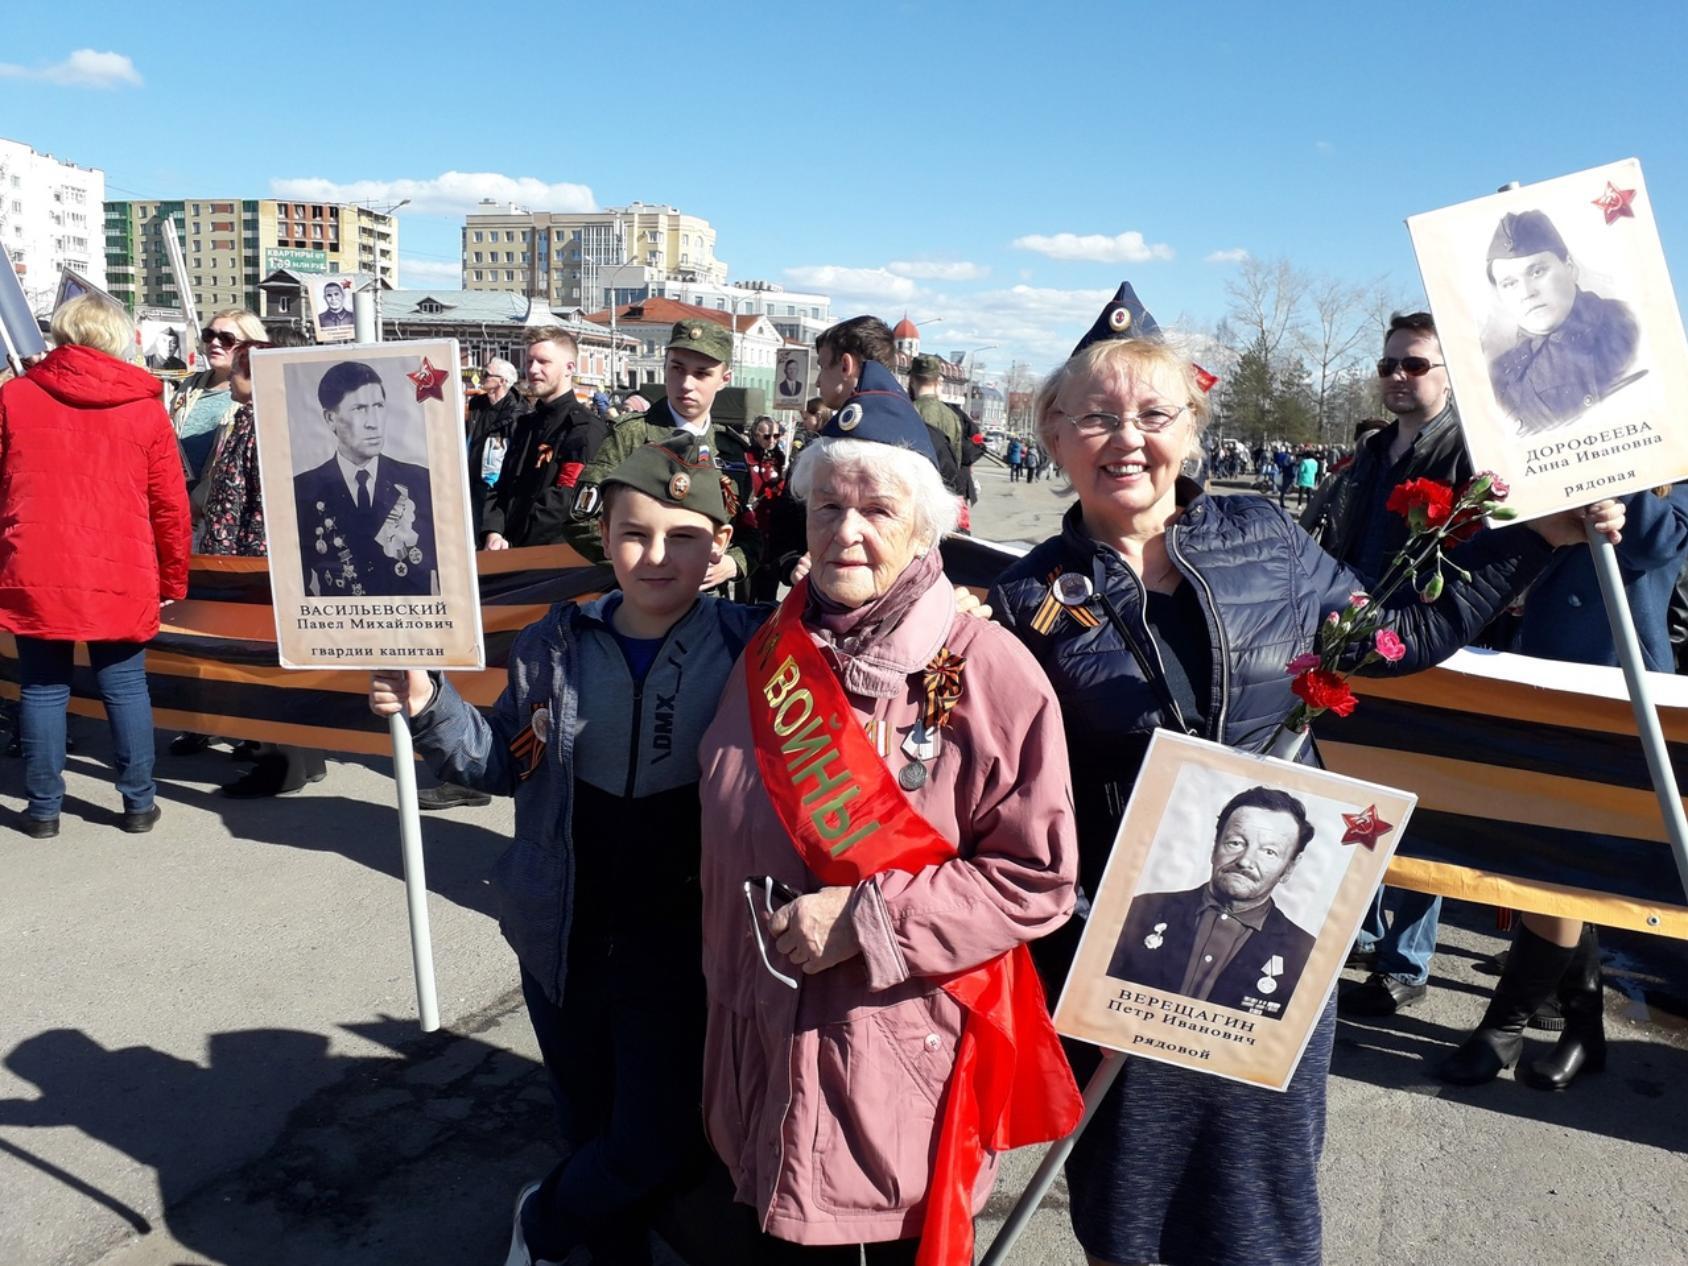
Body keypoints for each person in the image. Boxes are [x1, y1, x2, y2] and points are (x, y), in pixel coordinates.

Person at [986, 282, 1621, 1266]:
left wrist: (1536, 538)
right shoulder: (1027, 592)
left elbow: (1389, 634)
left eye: (1152, 415)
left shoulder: (1263, 541)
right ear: (1053, 436)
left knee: (1259, 1194)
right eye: (1094, 417)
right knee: (1123, 1190)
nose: (1125, 438)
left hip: (1276, 922)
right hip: (1115, 930)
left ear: (1190, 432)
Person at [697, 358, 1081, 1261]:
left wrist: (865, 921)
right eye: (829, 507)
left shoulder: (991, 673)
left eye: (878, 511)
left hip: (889, 1077)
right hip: (754, 1055)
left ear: (927, 527)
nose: (847, 534)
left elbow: (1037, 881)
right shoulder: (771, 648)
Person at [372, 434, 766, 1266]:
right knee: (585, 1119)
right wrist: (429, 703)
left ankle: (544, 1221)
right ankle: (602, 1247)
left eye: (682, 535)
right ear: (605, 537)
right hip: (562, 931)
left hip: (683, 942)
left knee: (656, 1137)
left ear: (719, 548)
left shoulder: (755, 646)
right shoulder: (557, 639)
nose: (655, 557)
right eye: (634, 533)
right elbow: (504, 762)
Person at [1436, 480, 1688, 1091]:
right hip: (1532, 670)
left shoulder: (1666, 456)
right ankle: (1584, 1025)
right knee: (1554, 857)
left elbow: (1661, 545)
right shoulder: (1541, 446)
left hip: (1615, 682)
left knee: (1562, 864)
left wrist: (1615, 487)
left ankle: (1505, 1025)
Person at [1299, 312, 1469, 1018]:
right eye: (1390, 364)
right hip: (1360, 636)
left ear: (1449, 372)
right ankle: (1363, 932)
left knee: (1418, 800)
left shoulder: (1463, 450)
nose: (1398, 377)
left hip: (1429, 645)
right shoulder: (1373, 451)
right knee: (1358, 791)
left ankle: (1408, 958)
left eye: (1416, 365)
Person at [0, 295, 191, 837]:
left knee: (41, 687)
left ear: (61, 333)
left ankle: (42, 810)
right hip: (120, 566)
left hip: (35, 561)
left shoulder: (14, 397)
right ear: (116, 337)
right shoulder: (144, 407)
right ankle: (137, 804)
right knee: (125, 685)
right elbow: (169, 505)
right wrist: (173, 576)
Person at [193, 327, 331, 798]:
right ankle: (305, 758)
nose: (230, 382)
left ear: (258, 377)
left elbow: (232, 501)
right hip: (287, 561)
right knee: (292, 661)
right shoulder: (293, 421)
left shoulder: (255, 424)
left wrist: (218, 563)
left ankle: (281, 763)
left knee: (266, 668)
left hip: (255, 564)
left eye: (237, 374)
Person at [567, 320, 759, 592]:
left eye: (702, 374)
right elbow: (580, 521)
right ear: (665, 367)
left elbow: (751, 531)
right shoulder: (630, 436)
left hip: (709, 603)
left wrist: (733, 562)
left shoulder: (730, 449)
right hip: (641, 597)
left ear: (724, 379)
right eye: (677, 369)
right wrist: (638, 564)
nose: (686, 384)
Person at [1108, 786, 1317, 1017]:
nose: (1245, 861)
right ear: (1215, 846)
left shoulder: (1307, 953)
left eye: (1268, 852)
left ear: (1289, 867)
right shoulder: (1140, 911)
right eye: (1235, 843)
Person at [1486, 209, 1642, 436]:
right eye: (1510, 284)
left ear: (1569, 267)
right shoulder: (1499, 379)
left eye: (1537, 272)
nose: (1527, 293)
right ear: (1500, 294)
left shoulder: (1630, 323)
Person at [293, 360, 438, 599]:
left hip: (410, 626)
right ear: (330, 419)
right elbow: (297, 584)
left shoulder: (420, 482)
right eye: (359, 409)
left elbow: (446, 567)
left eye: (378, 406)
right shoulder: (304, 490)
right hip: (341, 627)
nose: (373, 422)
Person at [482, 328, 608, 552]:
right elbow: (503, 486)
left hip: (549, 556)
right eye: (529, 361)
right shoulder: (525, 424)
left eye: (543, 362)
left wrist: (514, 542)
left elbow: (565, 500)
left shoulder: (584, 428)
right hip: (504, 551)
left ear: (569, 368)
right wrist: (493, 532)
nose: (533, 370)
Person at [466, 356, 530, 541]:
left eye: (486, 374)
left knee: (487, 535)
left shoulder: (519, 413)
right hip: (471, 482)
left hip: (495, 487)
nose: (481, 376)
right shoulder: (476, 405)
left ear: (502, 381)